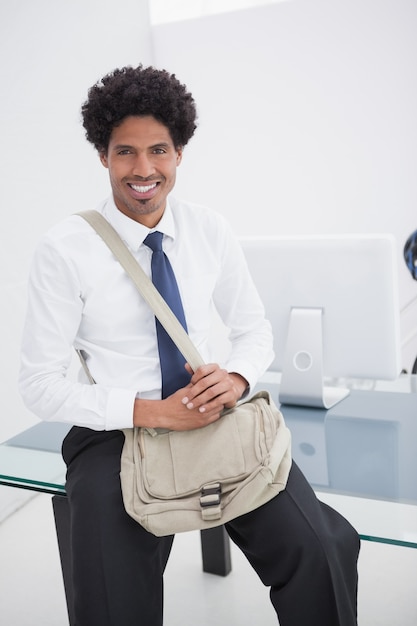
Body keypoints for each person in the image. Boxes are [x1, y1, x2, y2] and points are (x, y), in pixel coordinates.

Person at [19, 64, 360, 626]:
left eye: (159, 150)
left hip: (213, 414)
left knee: (322, 550)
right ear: (102, 155)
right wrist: (152, 412)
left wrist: (239, 378)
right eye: (125, 152)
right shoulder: (65, 249)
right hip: (117, 432)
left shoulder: (209, 229)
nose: (144, 169)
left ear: (179, 153)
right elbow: (39, 384)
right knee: (112, 599)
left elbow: (254, 329)